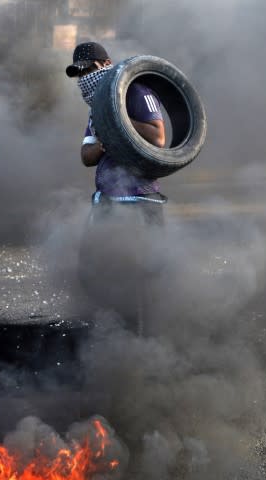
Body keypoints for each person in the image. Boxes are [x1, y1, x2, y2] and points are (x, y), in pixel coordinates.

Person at [66, 42, 168, 333]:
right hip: (108, 200)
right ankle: (118, 329)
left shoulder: (136, 91)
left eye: (88, 68)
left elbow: (158, 137)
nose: (83, 76)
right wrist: (104, 139)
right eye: (78, 73)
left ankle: (145, 340)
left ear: (106, 63)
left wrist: (117, 120)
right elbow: (86, 156)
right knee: (92, 270)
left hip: (141, 199)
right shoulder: (96, 107)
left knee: (143, 273)